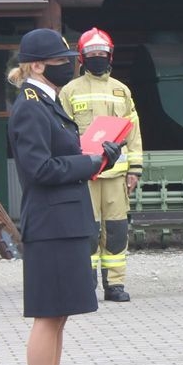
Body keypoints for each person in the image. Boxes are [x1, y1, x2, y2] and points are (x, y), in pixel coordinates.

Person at [8, 28, 122, 365]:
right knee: (48, 317)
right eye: (60, 58)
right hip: (51, 227)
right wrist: (88, 161)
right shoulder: (30, 107)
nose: (69, 63)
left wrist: (98, 158)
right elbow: (39, 170)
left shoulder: (48, 103)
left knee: (58, 318)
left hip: (66, 223)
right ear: (37, 65)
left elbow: (62, 159)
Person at [58, 28, 143, 302]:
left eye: (102, 53)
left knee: (117, 231)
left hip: (117, 177)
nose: (98, 58)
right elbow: (62, 133)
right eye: (92, 54)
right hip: (86, 176)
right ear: (83, 57)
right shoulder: (69, 91)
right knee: (88, 233)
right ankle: (87, 283)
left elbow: (133, 131)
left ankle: (115, 285)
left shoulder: (122, 91)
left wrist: (135, 169)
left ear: (110, 56)